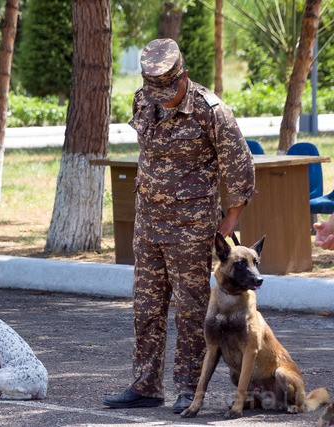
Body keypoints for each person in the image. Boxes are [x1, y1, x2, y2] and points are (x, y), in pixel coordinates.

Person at [103, 38, 255, 412]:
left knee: (190, 311)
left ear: (183, 76)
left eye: (168, 91)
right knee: (146, 308)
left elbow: (239, 166)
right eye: (156, 92)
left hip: (191, 228)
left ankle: (189, 388)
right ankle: (145, 385)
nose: (162, 98)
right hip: (149, 225)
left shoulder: (210, 110)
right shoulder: (144, 100)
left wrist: (231, 218)